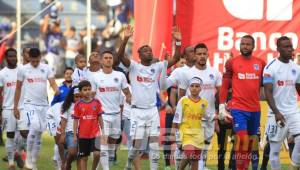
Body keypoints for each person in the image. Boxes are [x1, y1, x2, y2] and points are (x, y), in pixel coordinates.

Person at [117, 25, 181, 170]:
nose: (149, 52)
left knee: (153, 145)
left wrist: (177, 42)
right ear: (139, 55)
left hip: (152, 111)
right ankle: (129, 163)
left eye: (150, 50)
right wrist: (126, 38)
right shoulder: (134, 67)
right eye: (145, 51)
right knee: (136, 147)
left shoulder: (157, 66)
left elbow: (176, 58)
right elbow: (120, 56)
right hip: (137, 112)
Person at [219, 35, 266, 170]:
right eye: (242, 44)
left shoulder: (261, 63)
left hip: (255, 109)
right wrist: (222, 105)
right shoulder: (231, 62)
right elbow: (224, 85)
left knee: (250, 144)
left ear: (253, 46)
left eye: (248, 44)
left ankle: (242, 167)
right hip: (238, 108)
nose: (245, 46)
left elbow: (265, 86)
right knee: (243, 140)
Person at [13, 47, 60, 169]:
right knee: (33, 128)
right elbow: (18, 88)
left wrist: (56, 90)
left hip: (44, 104)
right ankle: (28, 158)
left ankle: (33, 163)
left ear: (40, 58)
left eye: (36, 61)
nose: (34, 63)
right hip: (29, 104)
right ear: (29, 58)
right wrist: (15, 106)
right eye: (32, 61)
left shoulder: (46, 68)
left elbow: (53, 83)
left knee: (39, 133)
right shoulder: (23, 69)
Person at [263, 36, 300, 170]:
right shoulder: (270, 67)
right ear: (278, 49)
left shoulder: (296, 67)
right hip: (276, 114)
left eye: (290, 46)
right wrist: (277, 112)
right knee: (274, 152)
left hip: (293, 112)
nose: (289, 49)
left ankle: (293, 166)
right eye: (286, 47)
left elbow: (299, 88)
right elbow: (267, 93)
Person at [91, 50, 131, 170]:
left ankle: (99, 166)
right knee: (103, 144)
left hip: (116, 114)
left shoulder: (120, 76)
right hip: (102, 115)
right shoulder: (96, 77)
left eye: (110, 58)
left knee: (113, 141)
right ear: (101, 61)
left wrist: (129, 98)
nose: (108, 60)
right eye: (106, 58)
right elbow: (92, 95)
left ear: (113, 60)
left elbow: (127, 92)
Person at [172, 77, 208, 170]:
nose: (194, 88)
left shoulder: (204, 102)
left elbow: (207, 117)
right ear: (189, 87)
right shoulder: (183, 100)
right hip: (186, 134)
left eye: (197, 86)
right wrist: (173, 132)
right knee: (189, 153)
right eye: (192, 86)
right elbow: (176, 118)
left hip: (198, 135)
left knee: (195, 160)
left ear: (201, 88)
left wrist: (218, 116)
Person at [0, 48, 27, 169]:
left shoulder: (23, 70)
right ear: (6, 58)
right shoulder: (2, 73)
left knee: (25, 133)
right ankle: (11, 162)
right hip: (8, 108)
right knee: (10, 135)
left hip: (22, 108)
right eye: (10, 56)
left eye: (14, 56)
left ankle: (18, 152)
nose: (13, 58)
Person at [72, 80, 104, 170]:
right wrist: (75, 135)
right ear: (80, 92)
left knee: (97, 154)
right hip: (83, 135)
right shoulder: (78, 104)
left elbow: (100, 117)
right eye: (85, 89)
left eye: (89, 89)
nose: (87, 91)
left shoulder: (96, 103)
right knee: (84, 157)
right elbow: (75, 121)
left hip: (95, 134)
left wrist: (103, 130)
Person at [59, 86, 81, 170]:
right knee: (73, 153)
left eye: (80, 96)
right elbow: (63, 120)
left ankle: (67, 163)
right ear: (72, 96)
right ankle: (67, 163)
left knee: (80, 156)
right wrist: (62, 135)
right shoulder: (68, 106)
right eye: (76, 96)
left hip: (83, 134)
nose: (78, 98)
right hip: (70, 133)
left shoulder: (85, 105)